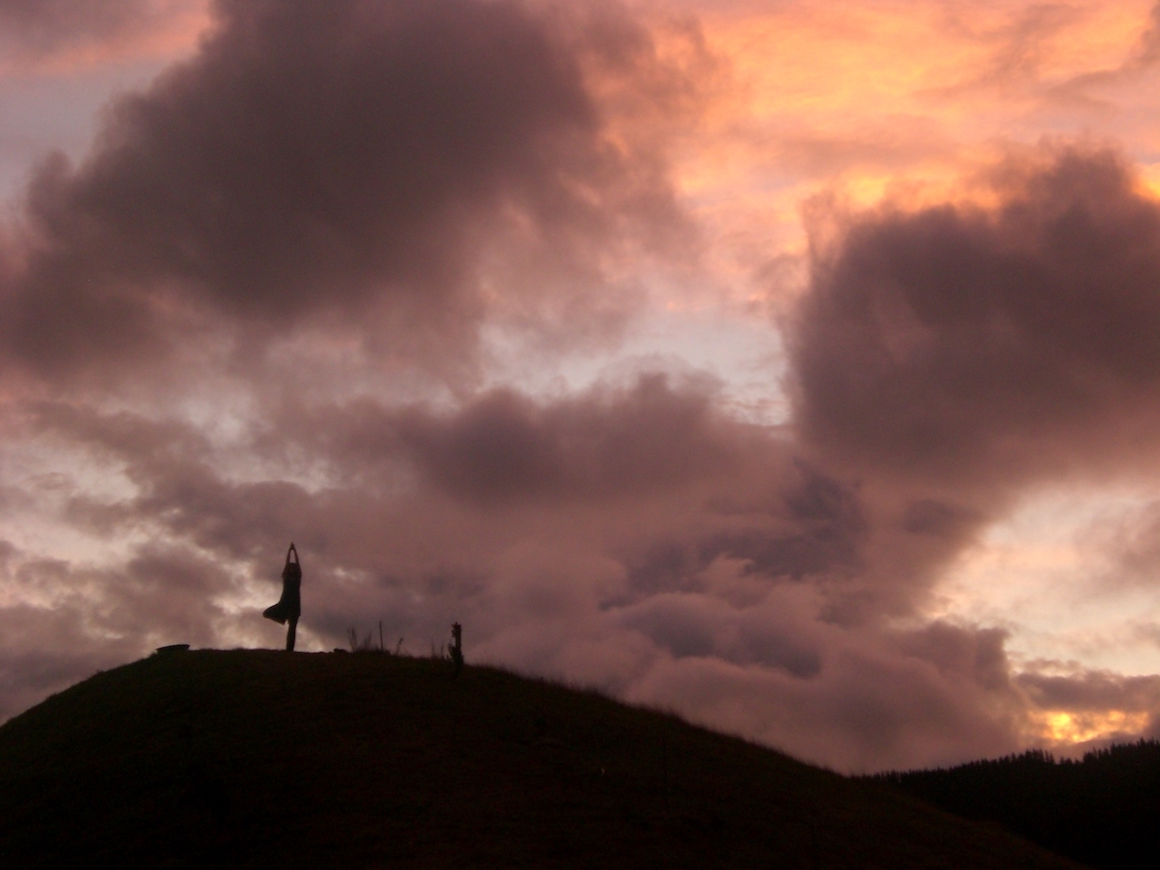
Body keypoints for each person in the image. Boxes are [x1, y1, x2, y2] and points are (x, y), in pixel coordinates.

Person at [263, 544, 302, 651]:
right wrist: (290, 551)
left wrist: (295, 551)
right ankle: (282, 618)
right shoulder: (286, 577)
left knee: (292, 629)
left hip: (295, 606)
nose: (292, 569)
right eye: (290, 568)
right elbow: (286, 564)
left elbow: (298, 565)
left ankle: (289, 649)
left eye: (293, 568)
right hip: (284, 604)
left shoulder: (298, 578)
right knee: (266, 613)